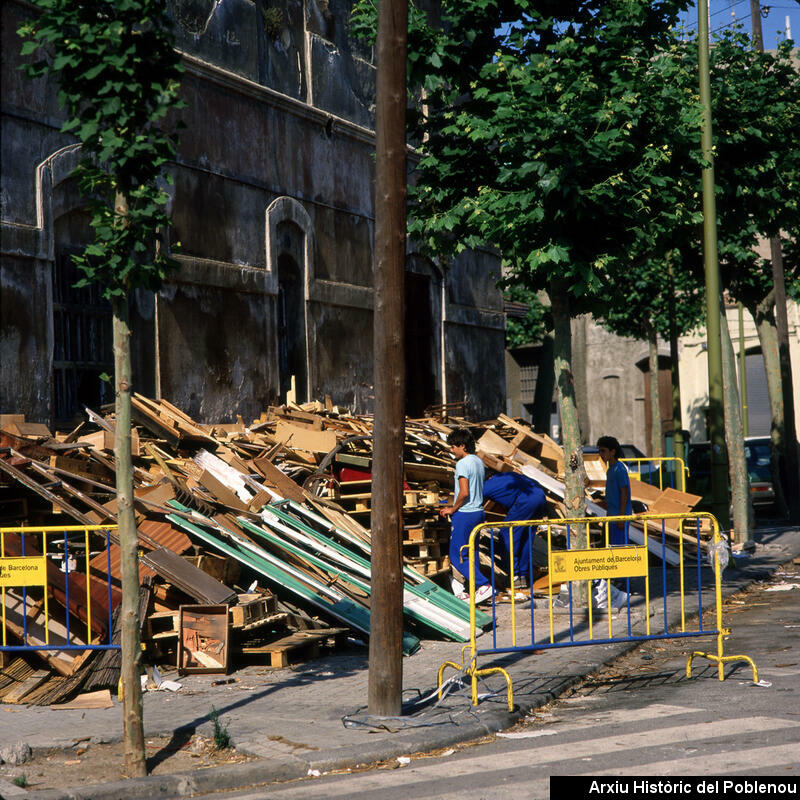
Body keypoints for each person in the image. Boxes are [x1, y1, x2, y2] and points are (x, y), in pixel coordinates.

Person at [440, 428, 492, 603]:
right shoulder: (478, 461)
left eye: (453, 447)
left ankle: (484, 585)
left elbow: (463, 492)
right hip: (478, 512)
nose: (451, 450)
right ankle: (476, 589)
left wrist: (452, 509)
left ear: (462, 446)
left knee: (457, 554)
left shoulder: (462, 464)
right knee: (472, 552)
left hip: (465, 513)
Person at [483, 471, 547, 586]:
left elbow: (472, 497)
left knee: (507, 534)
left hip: (526, 501)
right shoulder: (510, 476)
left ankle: (514, 575)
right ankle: (522, 576)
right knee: (526, 538)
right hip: (540, 497)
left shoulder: (490, 483)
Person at [595, 435, 632, 610]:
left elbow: (624, 493)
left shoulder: (619, 469)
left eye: (603, 451)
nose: (601, 454)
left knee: (621, 549)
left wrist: (621, 516)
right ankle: (618, 580)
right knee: (613, 548)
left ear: (612, 451)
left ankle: (623, 583)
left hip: (619, 515)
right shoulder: (611, 470)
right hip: (613, 514)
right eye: (600, 451)